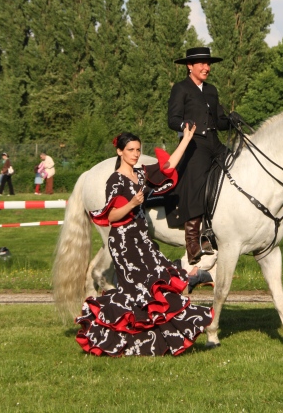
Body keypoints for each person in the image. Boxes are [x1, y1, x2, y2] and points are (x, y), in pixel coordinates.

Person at [75, 125, 214, 357]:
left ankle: (155, 341)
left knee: (157, 283)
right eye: (131, 150)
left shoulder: (140, 175)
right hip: (124, 243)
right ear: (120, 152)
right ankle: (105, 338)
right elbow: (111, 217)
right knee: (134, 294)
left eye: (138, 149)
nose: (136, 154)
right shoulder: (115, 181)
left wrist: (186, 140)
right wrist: (131, 204)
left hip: (142, 241)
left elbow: (168, 166)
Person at [167, 46, 230, 265]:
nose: (206, 67)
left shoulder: (212, 90)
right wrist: (185, 124)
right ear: (189, 66)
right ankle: (193, 242)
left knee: (236, 169)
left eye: (208, 63)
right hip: (193, 144)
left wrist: (232, 119)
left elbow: (220, 122)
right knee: (197, 181)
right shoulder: (181, 89)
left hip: (215, 143)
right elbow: (172, 119)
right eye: (202, 64)